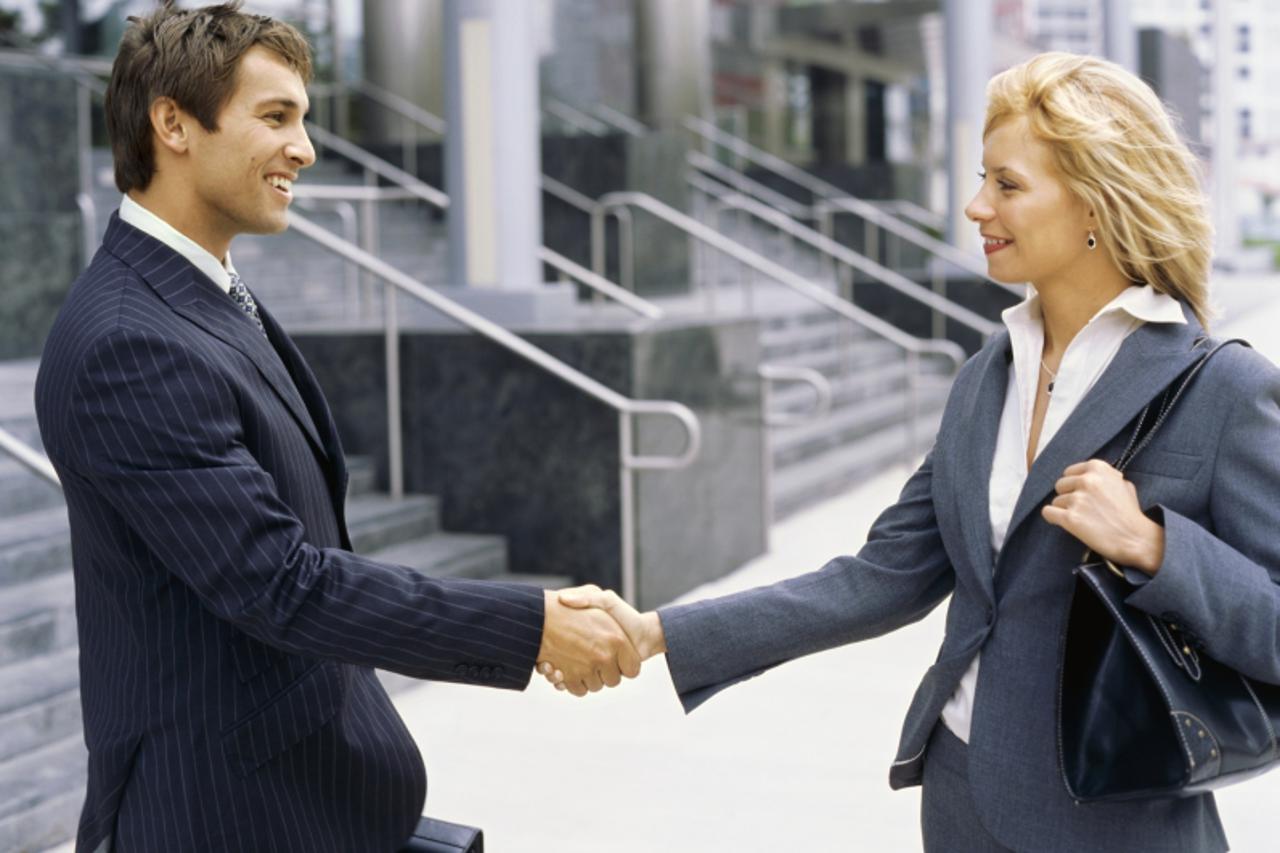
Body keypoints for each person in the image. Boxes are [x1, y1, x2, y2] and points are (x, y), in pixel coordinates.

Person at [544, 52, 1280, 852]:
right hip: (961, 801)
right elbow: (879, 577)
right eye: (983, 179)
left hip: (1120, 826)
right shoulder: (985, 379)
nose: (975, 206)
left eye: (1007, 184)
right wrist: (657, 630)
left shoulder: (1224, 389)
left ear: (1095, 202)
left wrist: (1156, 547)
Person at [33, 3, 639, 851]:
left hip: (307, 793)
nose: (305, 149)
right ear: (173, 124)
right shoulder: (128, 342)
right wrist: (531, 626)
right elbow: (279, 583)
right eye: (276, 116)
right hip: (226, 816)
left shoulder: (199, 291)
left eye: (304, 119)